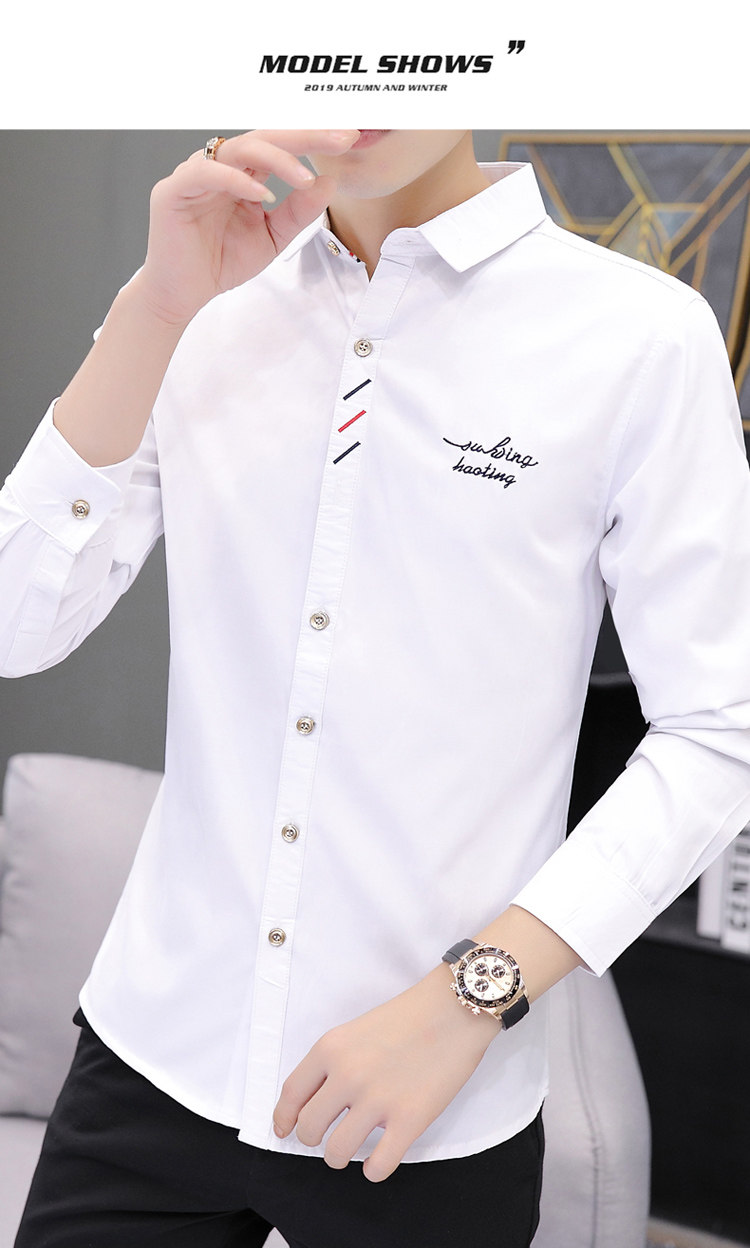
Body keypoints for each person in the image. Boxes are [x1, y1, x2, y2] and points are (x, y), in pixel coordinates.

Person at [2, 128, 750, 1248]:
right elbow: (17, 629)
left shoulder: (639, 336)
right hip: (152, 1057)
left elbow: (719, 729)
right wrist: (156, 309)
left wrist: (468, 1002)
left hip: (427, 1107)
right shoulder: (197, 301)